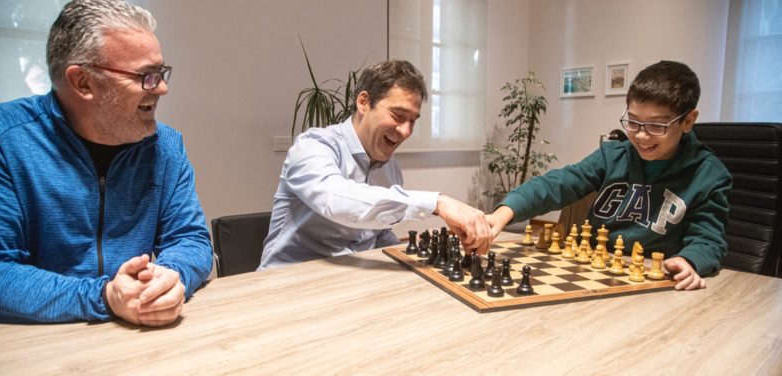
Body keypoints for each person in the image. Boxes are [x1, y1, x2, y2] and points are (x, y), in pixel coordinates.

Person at [0, 0, 212, 325]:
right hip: (38, 347)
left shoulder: (167, 146)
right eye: (146, 76)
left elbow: (190, 239)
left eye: (160, 73)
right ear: (83, 82)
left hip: (140, 335)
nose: (162, 88)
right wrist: (106, 297)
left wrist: (168, 278)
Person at [486, 61, 731, 290]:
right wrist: (506, 211)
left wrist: (689, 260)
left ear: (688, 120)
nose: (642, 136)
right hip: (591, 270)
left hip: (651, 282)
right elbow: (559, 183)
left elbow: (709, 240)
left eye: (657, 126)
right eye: (633, 122)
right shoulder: (612, 156)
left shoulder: (709, 174)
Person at [259, 60, 491, 270]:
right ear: (363, 102)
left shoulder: (390, 169)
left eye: (412, 121)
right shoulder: (313, 146)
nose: (406, 131)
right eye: (398, 115)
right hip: (288, 281)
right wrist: (438, 203)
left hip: (349, 281)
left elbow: (373, 236)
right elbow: (336, 201)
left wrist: (415, 249)